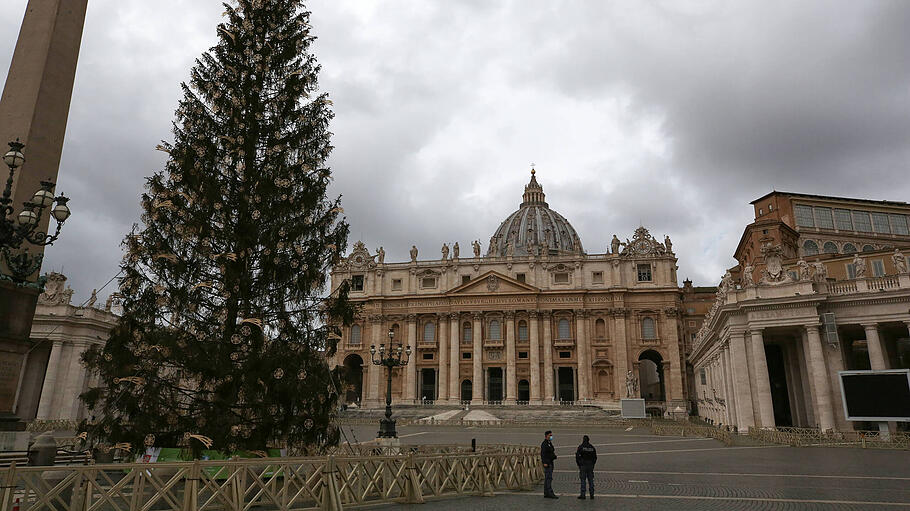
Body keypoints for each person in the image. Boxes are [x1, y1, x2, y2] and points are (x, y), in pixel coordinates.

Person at [575, 435, 597, 499]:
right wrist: (593, 464)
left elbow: (577, 456)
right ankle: (592, 494)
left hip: (583, 465)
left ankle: (583, 494)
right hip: (590, 465)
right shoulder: (592, 447)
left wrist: (579, 464)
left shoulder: (581, 447)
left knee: (583, 480)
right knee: (591, 480)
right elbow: (595, 457)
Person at [540, 430, 558, 499]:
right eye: (550, 435)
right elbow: (543, 454)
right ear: (546, 436)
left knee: (547, 478)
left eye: (551, 435)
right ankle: (550, 493)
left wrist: (554, 456)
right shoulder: (544, 444)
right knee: (549, 478)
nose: (551, 436)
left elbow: (551, 451)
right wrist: (544, 462)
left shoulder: (549, 443)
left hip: (550, 462)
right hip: (547, 463)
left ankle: (546, 493)